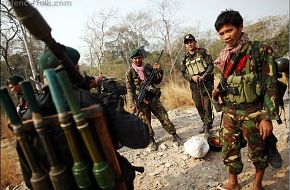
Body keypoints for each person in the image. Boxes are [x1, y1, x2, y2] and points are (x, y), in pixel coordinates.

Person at [17, 45, 150, 190]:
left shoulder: (27, 119)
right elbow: (141, 137)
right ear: (74, 70)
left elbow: (30, 180)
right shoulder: (97, 102)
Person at [213, 10, 280, 190]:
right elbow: (226, 81)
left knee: (258, 150)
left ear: (240, 27)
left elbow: (270, 84)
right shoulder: (224, 56)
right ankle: (233, 183)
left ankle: (257, 185)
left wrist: (266, 116)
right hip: (230, 111)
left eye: (229, 30)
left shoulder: (259, 50)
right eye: (221, 33)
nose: (226, 36)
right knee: (229, 150)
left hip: (254, 111)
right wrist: (219, 91)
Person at [126, 47, 182, 151]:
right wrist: (132, 103)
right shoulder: (130, 72)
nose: (138, 60)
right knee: (145, 122)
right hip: (141, 101)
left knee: (163, 116)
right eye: (135, 58)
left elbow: (157, 80)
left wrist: (158, 70)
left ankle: (174, 135)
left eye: (139, 58)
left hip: (153, 98)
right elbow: (129, 89)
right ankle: (151, 140)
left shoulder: (147, 68)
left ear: (142, 57)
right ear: (132, 60)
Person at [180, 34, 214, 134]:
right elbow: (183, 72)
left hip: (205, 82)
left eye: (191, 42)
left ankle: (208, 124)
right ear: (185, 45)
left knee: (207, 105)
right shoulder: (184, 58)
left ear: (194, 42)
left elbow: (211, 65)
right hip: (194, 85)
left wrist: (204, 76)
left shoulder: (203, 52)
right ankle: (204, 121)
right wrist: (191, 77)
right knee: (198, 104)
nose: (189, 44)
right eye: (187, 43)